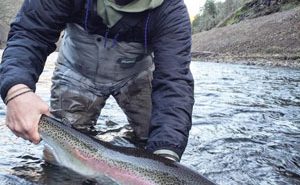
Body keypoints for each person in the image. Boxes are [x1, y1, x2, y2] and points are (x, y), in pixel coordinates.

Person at [0, 0, 194, 162]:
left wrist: (165, 161)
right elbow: (31, 33)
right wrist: (17, 90)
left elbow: (174, 82)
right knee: (62, 156)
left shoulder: (171, 12)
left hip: (137, 77)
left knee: (159, 142)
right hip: (75, 72)